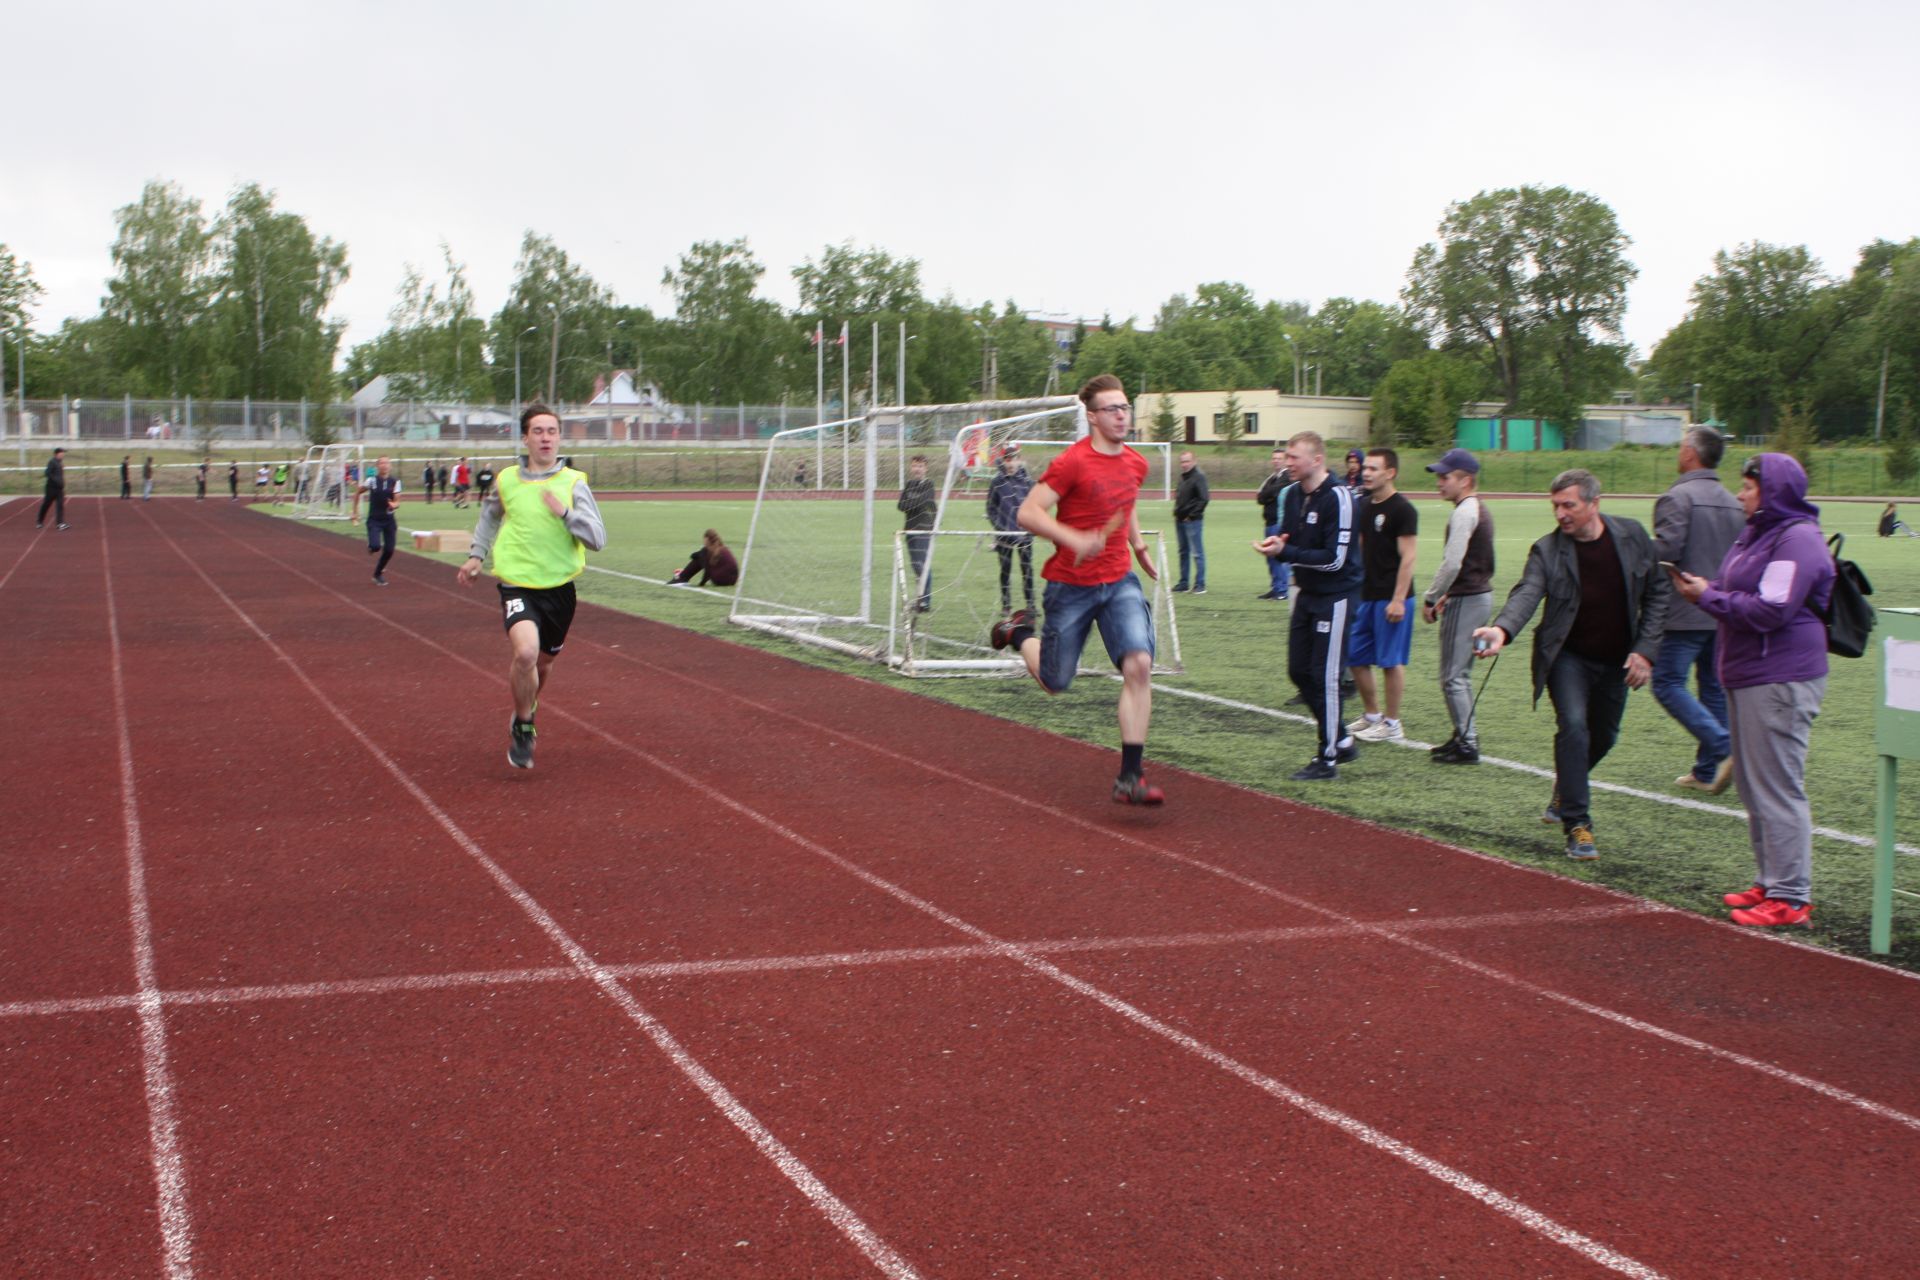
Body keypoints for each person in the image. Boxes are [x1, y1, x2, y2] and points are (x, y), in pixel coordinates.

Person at [1669, 454, 1834, 927]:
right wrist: (1709, 588)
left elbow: (1771, 611)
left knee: (1777, 785)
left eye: (1748, 486)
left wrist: (1709, 597)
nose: (1740, 494)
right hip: (1750, 671)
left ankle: (1791, 896)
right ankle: (1771, 880)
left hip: (1780, 676)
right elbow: (1736, 588)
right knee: (1753, 784)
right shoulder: (1758, 532)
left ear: (1773, 491)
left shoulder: (1796, 538)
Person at [1473, 470, 1669, 861]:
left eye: (1569, 505)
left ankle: (1567, 786)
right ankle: (1578, 825)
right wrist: (1501, 630)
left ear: (1594, 504)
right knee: (1574, 728)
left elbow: (1659, 594)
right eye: (1556, 506)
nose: (1560, 514)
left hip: (1616, 659)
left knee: (1605, 736)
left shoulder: (1631, 536)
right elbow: (1527, 593)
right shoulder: (1547, 550)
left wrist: (1645, 651)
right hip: (1567, 657)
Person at [988, 373, 1164, 805]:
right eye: (1113, 409)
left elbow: (1126, 501)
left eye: (1126, 407)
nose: (1122, 415)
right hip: (1072, 586)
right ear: (1092, 417)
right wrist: (1074, 538)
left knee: (1139, 663)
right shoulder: (1072, 462)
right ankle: (1018, 634)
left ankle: (1130, 776)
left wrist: (1137, 543)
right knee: (1054, 681)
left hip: (1119, 579)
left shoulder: (1136, 462)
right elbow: (1029, 514)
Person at [457, 404, 608, 770]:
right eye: (538, 431)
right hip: (516, 584)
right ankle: (524, 727)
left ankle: (526, 706)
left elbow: (598, 539)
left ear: (559, 437)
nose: (545, 438)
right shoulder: (507, 479)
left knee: (543, 663)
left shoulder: (574, 482)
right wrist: (477, 555)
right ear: (525, 438)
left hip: (559, 588)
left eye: (552, 431)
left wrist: (565, 513)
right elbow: (490, 515)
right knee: (525, 654)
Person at [1256, 430, 1363, 780]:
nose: (1287, 463)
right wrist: (1279, 542)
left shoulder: (1339, 497)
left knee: (1326, 676)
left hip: (1336, 596)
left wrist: (1286, 553)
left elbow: (1335, 559)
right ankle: (1342, 739)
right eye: (1286, 456)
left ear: (1316, 460)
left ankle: (1328, 757)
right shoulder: (1294, 495)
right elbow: (1291, 538)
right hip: (1307, 592)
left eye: (1294, 457)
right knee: (1299, 671)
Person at [1651, 426, 1746, 794]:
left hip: (1684, 610)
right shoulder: (1733, 500)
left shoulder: (1677, 497)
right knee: (1712, 688)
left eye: (1680, 447)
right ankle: (1708, 769)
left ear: (1691, 453)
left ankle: (1723, 747)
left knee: (1667, 683)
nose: (1678, 453)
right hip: (1721, 610)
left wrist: (1639, 550)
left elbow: (1668, 551)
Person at [1421, 449, 1496, 763]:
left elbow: (1452, 563)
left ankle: (1467, 741)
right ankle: (1462, 734)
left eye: (1445, 477)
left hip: (1468, 599)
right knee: (1459, 673)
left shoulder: (1465, 512)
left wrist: (1431, 594)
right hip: (1475, 596)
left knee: (1453, 676)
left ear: (1465, 480)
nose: (1439, 483)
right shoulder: (1476, 508)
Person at [1346, 448, 1418, 743]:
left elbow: (1409, 557)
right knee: (1355, 655)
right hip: (1367, 594)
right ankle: (1372, 715)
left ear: (1390, 473)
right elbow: (1361, 549)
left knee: (1389, 661)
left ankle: (1392, 723)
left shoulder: (1403, 509)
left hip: (1392, 597)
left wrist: (1399, 599)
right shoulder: (1364, 506)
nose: (1366, 473)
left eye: (1374, 469)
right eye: (1366, 468)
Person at [986, 444, 1036, 614]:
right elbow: (990, 508)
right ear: (1004, 461)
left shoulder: (1028, 482)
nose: (1011, 463)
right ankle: (1006, 606)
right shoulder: (997, 482)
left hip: (1024, 534)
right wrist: (999, 527)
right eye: (1008, 460)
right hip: (1004, 535)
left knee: (1027, 570)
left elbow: (1036, 506)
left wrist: (1032, 526)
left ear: (1019, 460)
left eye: (1014, 459)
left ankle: (1031, 605)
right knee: (1005, 571)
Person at [898, 454, 938, 612]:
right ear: (911, 467)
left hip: (923, 529)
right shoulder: (909, 485)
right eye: (915, 466)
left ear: (925, 468)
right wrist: (914, 503)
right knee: (915, 566)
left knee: (922, 565)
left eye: (920, 466)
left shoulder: (929, 484)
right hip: (910, 528)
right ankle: (920, 599)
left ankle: (925, 601)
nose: (917, 469)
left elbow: (924, 501)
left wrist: (911, 503)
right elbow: (901, 505)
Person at [1253, 448, 1291, 601]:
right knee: (1270, 557)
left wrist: (1268, 494)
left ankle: (1282, 589)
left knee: (1278, 557)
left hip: (1278, 523)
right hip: (1269, 522)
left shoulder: (1287, 476)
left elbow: (1275, 492)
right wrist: (1269, 495)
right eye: (1274, 458)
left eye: (1279, 458)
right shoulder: (1272, 478)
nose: (1276, 461)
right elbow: (1260, 497)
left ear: (1285, 460)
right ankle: (1276, 587)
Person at [1172, 449, 1210, 594]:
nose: (1184, 464)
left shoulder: (1199, 477)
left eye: (1187, 461)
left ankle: (1200, 584)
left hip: (1192, 521)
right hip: (1180, 520)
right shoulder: (1182, 477)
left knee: (1197, 553)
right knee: (1183, 552)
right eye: (1182, 461)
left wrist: (1192, 515)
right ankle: (1184, 582)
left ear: (1194, 461)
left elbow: (1204, 498)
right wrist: (1177, 512)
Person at [362, 456, 403, 586]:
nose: (384, 465)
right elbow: (358, 492)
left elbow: (397, 501)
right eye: (381, 463)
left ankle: (378, 574)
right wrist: (354, 512)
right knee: (375, 546)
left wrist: (394, 505)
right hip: (374, 519)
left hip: (389, 520)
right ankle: (371, 545)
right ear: (377, 466)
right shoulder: (371, 481)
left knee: (390, 550)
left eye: (387, 463)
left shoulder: (395, 482)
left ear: (390, 466)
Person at [667, 528, 739, 587]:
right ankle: (682, 575)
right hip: (732, 581)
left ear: (707, 539)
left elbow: (707, 571)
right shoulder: (723, 548)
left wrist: (701, 584)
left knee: (701, 554)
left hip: (720, 580)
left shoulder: (708, 551)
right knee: (701, 554)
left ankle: (682, 578)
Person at [36, 448, 70, 530]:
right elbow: (47, 473)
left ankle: (60, 524)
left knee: (60, 505)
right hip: (51, 488)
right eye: (62, 453)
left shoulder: (60, 462)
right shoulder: (52, 462)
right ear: (57, 454)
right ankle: (39, 521)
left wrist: (61, 483)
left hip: (59, 489)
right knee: (46, 505)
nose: (63, 454)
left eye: (63, 453)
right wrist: (56, 480)